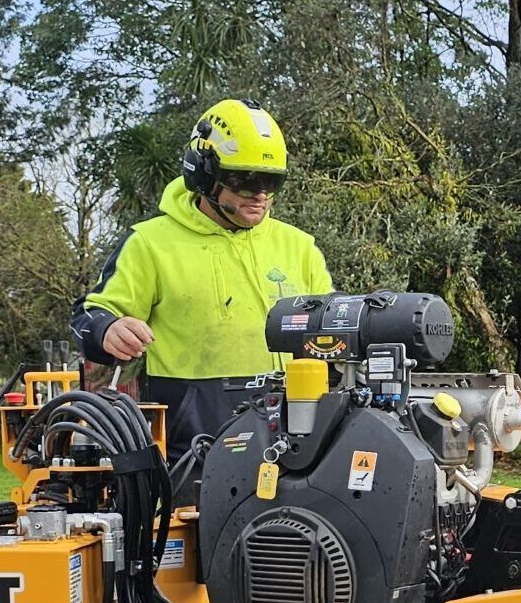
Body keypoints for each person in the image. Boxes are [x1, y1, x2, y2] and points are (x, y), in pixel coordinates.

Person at [71, 98, 333, 444]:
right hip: (192, 442)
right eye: (245, 180)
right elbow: (88, 317)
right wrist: (108, 328)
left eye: (272, 183)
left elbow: (335, 332)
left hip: (293, 434)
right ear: (203, 173)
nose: (260, 194)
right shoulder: (150, 243)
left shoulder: (299, 247)